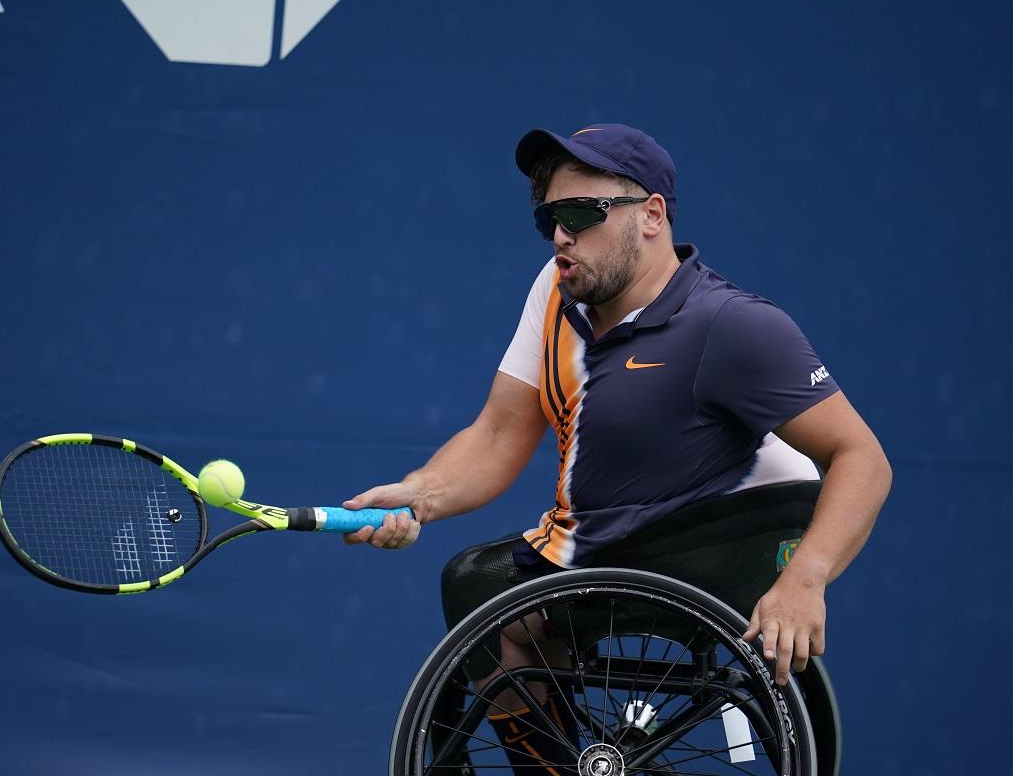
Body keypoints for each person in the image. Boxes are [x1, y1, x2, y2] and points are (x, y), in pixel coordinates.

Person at [343, 123, 891, 773]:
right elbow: (497, 435)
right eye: (548, 215)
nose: (560, 234)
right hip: (636, 530)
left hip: (739, 532)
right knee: (480, 586)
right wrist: (418, 496)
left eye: (581, 213)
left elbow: (862, 458)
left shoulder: (730, 325)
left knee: (488, 588)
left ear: (652, 215)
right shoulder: (554, 289)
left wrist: (807, 579)